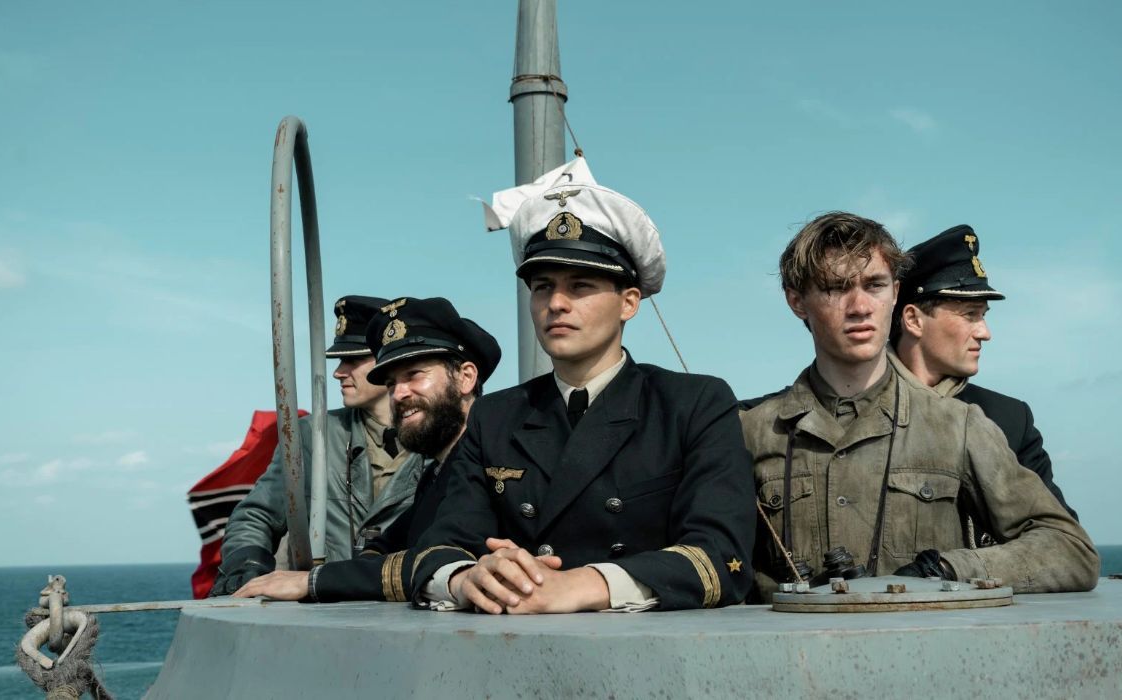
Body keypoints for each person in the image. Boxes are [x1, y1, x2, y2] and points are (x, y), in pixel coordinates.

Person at [409, 182, 756, 614]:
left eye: (580, 286)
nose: (556, 303)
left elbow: (723, 556)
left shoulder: (692, 404)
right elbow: (436, 546)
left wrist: (583, 584)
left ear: (629, 302)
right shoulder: (495, 417)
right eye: (542, 287)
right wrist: (465, 579)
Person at [740, 212, 1097, 600]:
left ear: (895, 292)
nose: (859, 306)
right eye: (835, 288)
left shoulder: (958, 426)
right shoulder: (751, 431)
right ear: (797, 301)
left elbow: (1070, 550)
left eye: (874, 285)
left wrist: (945, 569)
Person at [233, 296, 501, 602]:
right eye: (390, 382)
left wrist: (315, 581)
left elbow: (432, 559)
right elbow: (389, 547)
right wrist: (247, 569)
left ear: (466, 377)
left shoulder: (490, 456)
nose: (399, 393)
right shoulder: (435, 469)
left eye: (414, 374)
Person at [210, 296, 425, 596]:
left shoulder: (440, 437)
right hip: (328, 618)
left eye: (353, 360)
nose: (339, 372)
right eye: (339, 361)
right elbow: (255, 514)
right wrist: (247, 561)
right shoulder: (314, 435)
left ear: (387, 360)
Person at [891, 225, 1076, 521]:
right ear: (913, 319)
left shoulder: (1010, 420)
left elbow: (1060, 538)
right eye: (969, 315)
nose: (985, 333)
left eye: (983, 316)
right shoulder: (858, 408)